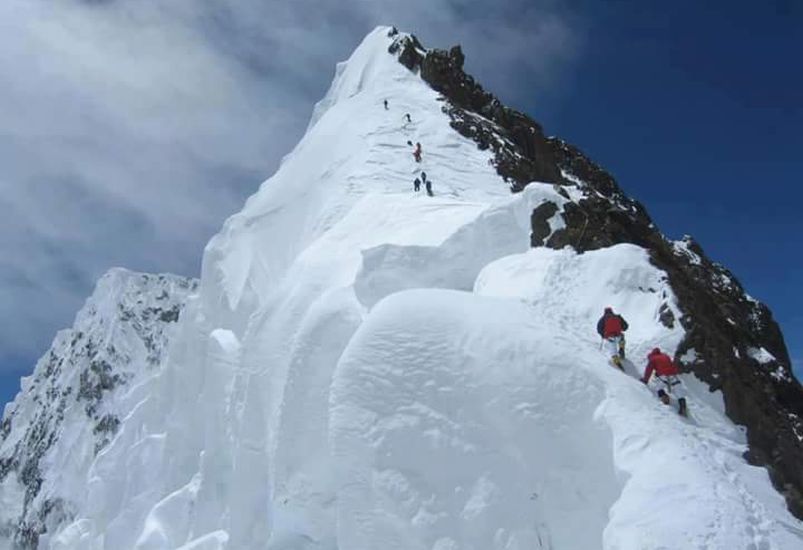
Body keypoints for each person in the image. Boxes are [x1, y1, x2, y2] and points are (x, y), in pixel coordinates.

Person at [641, 348, 688, 416]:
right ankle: (682, 405)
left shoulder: (652, 359)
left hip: (663, 375)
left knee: (659, 386)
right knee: (678, 389)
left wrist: (645, 380)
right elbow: (672, 365)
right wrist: (674, 372)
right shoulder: (666, 356)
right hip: (673, 375)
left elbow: (648, 371)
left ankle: (664, 397)